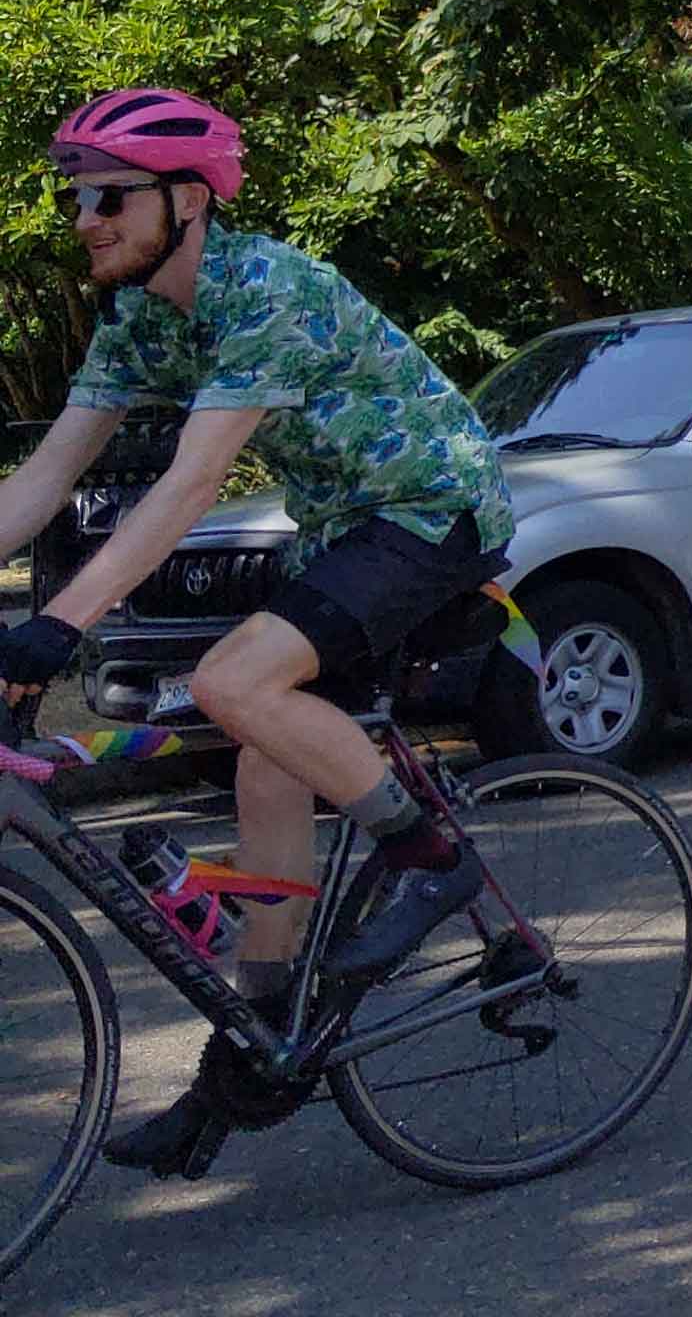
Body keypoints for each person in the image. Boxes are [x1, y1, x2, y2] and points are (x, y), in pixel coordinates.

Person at [0, 90, 517, 1181]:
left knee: (235, 681)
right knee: (267, 776)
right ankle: (248, 1064)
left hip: (433, 510)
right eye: (74, 195)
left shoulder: (266, 289)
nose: (83, 215)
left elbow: (191, 485)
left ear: (187, 200)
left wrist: (60, 622)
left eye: (107, 194)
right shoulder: (144, 315)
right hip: (340, 527)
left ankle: (431, 860)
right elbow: (48, 471)